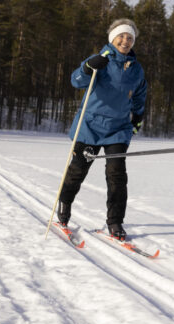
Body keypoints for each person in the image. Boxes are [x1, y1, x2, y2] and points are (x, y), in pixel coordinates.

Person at [57, 18, 148, 241]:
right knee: (78, 171)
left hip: (118, 129)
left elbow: (139, 95)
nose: (125, 41)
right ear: (112, 38)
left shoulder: (136, 69)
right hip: (90, 126)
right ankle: (65, 204)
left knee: (117, 175)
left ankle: (115, 222)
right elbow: (76, 81)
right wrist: (87, 68)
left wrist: (137, 117)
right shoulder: (100, 60)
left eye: (130, 38)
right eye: (121, 36)